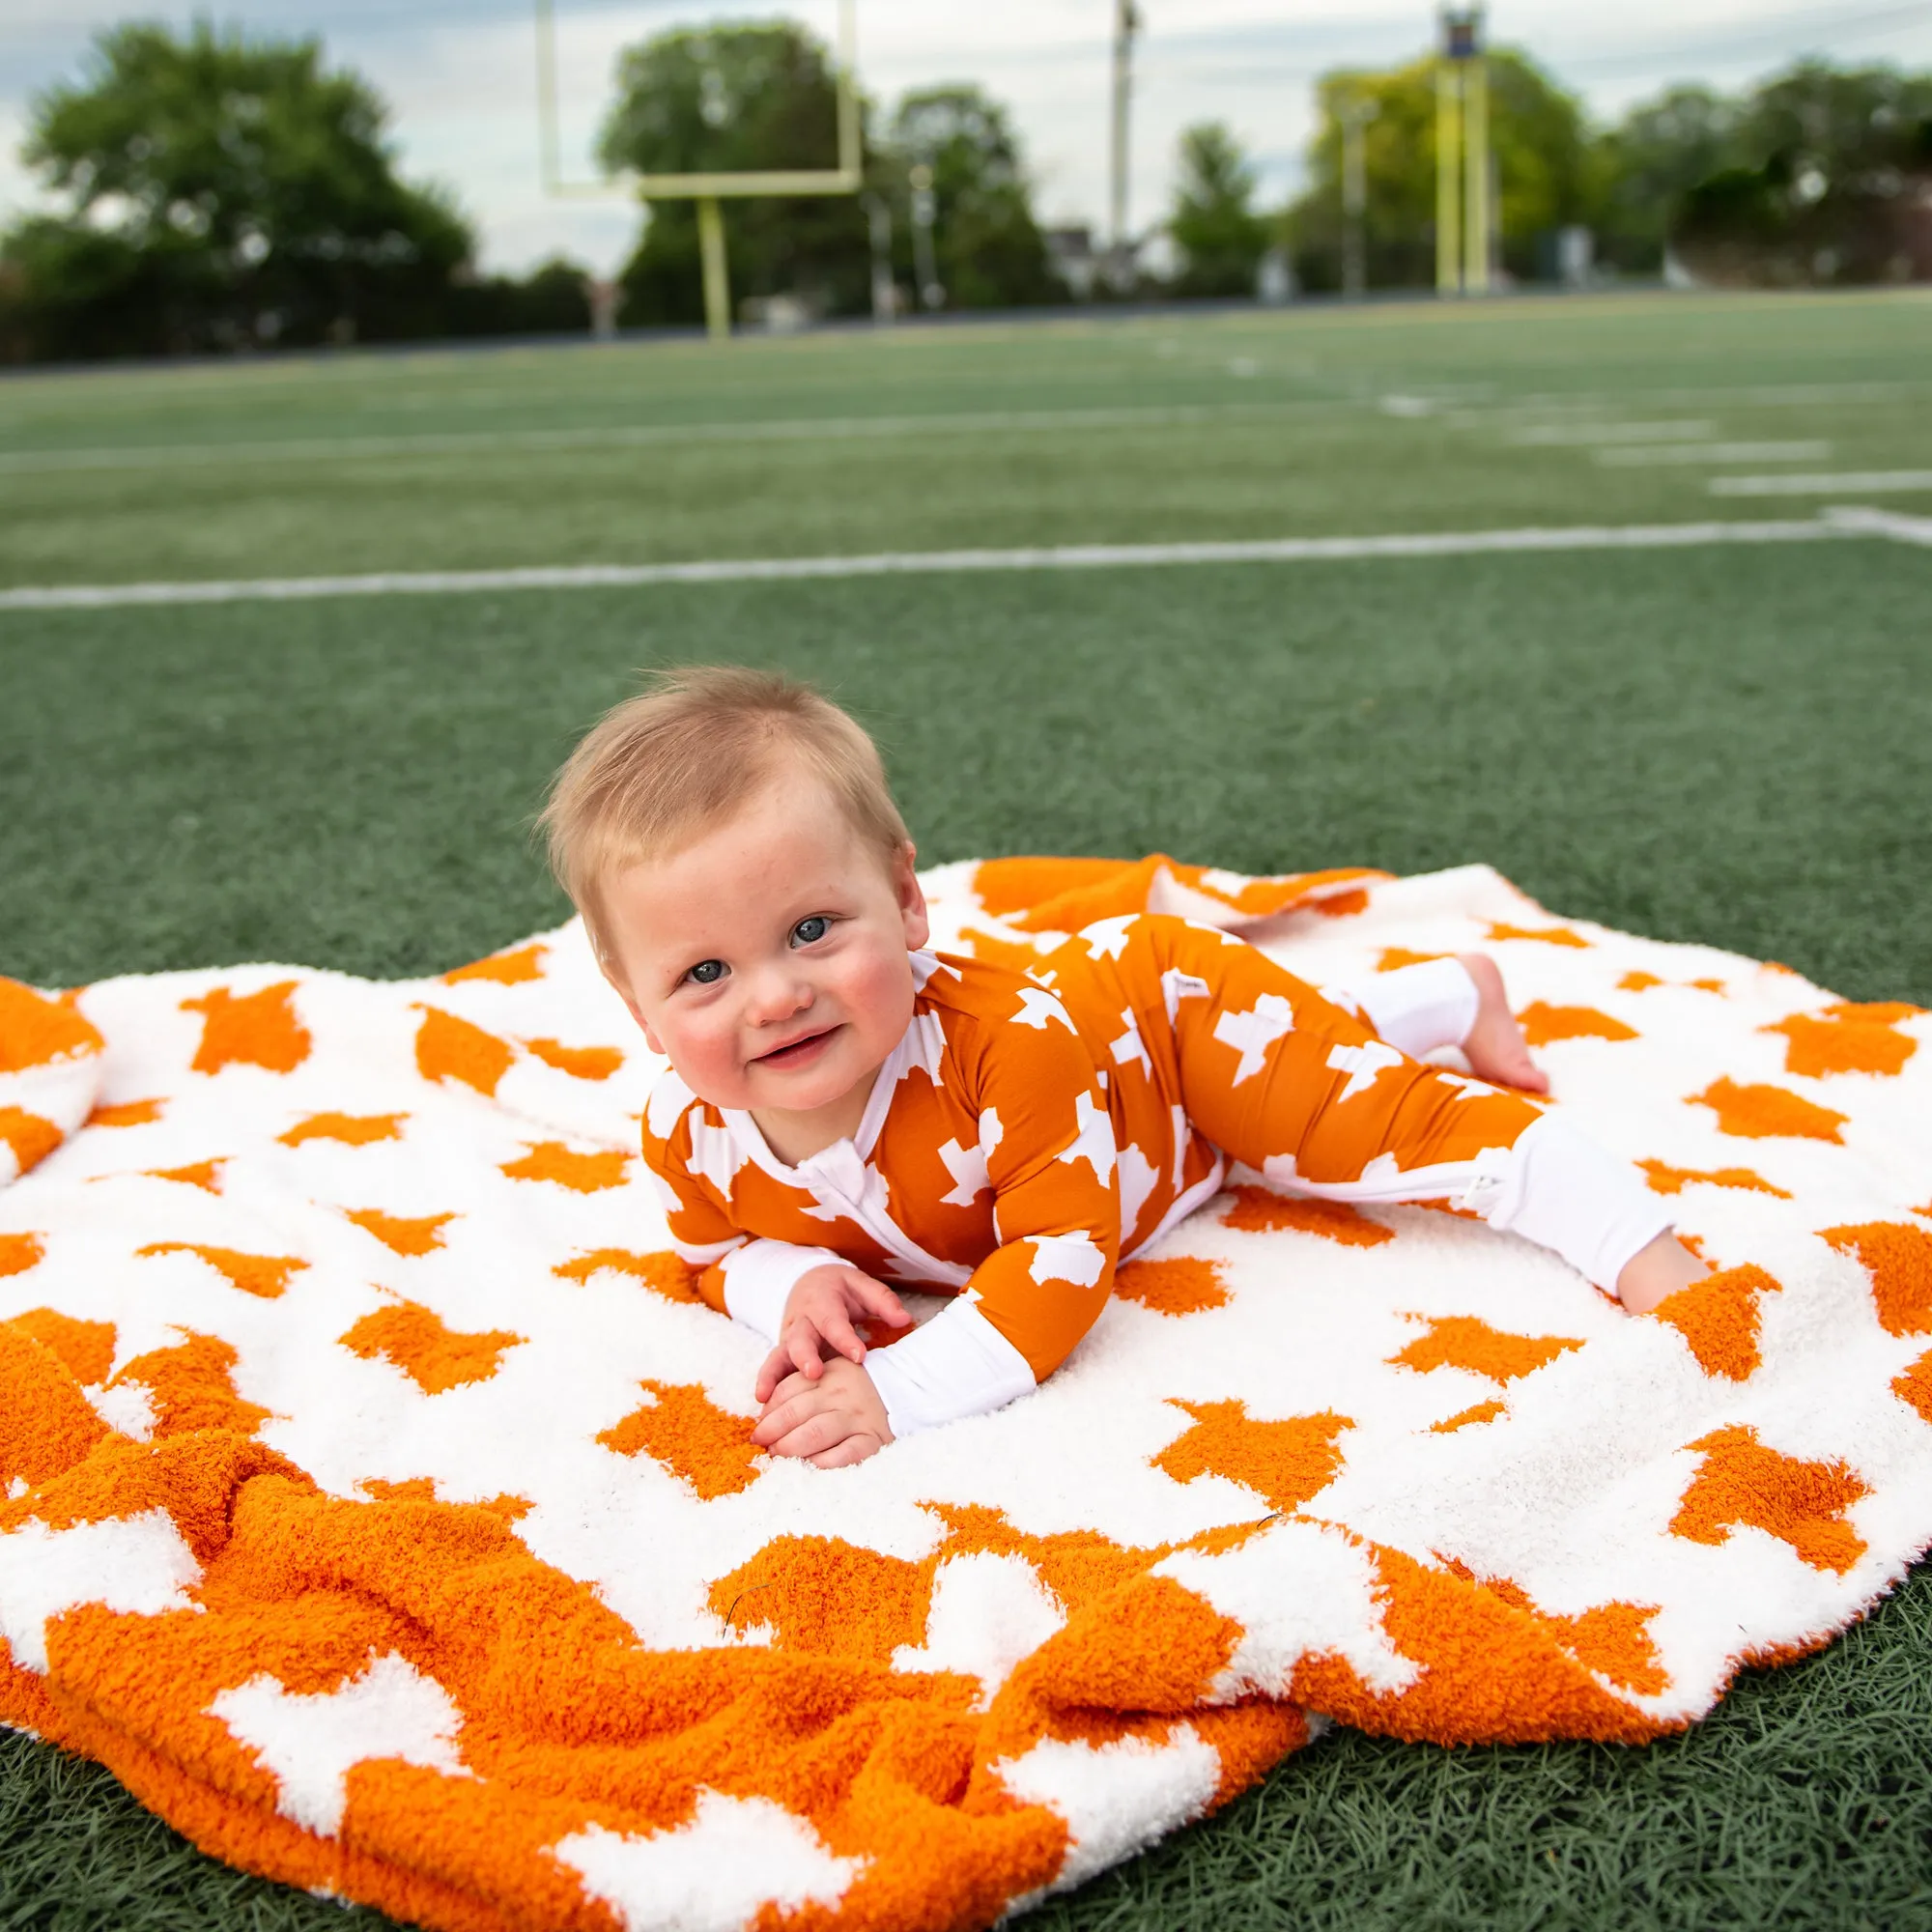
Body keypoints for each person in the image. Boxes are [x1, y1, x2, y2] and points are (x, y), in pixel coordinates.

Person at [539, 668, 1707, 1468]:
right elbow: (710, 1254)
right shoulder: (686, 1129)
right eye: (701, 973)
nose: (772, 995)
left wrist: (896, 1390)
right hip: (1136, 1099)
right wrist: (783, 1279)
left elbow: (1056, 1264)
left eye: (809, 930)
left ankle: (1640, 1243)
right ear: (634, 1005)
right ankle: (1448, 991)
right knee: (1311, 1055)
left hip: (1166, 1023)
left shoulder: (1008, 1050)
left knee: (1353, 1119)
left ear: (904, 902)